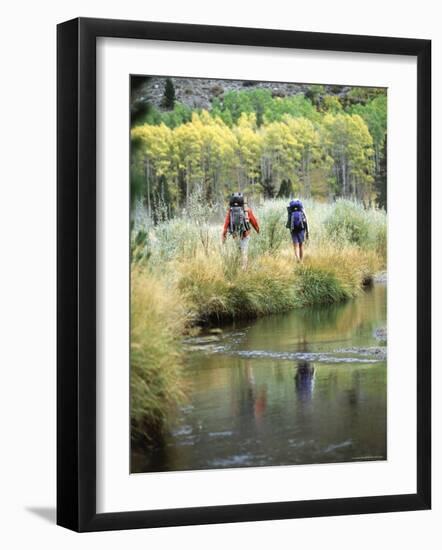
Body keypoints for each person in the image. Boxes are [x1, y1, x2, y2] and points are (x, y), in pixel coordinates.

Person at [222, 192, 260, 270]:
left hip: (235, 235)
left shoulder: (230, 211)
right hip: (245, 234)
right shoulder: (247, 210)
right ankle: (244, 269)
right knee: (244, 251)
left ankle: (239, 266)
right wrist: (257, 230)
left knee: (238, 250)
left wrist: (224, 235)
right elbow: (253, 221)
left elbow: (226, 223)